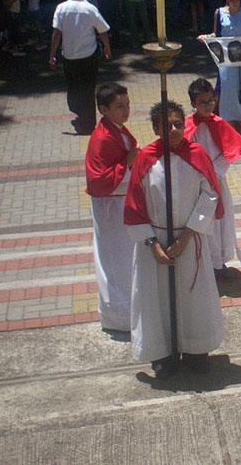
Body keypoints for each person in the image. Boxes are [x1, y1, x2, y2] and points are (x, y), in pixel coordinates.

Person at [124, 100, 224, 379]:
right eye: (167, 126)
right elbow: (135, 204)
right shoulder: (146, 158)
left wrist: (187, 236)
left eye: (179, 123)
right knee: (157, 299)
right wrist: (153, 244)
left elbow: (210, 194)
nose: (175, 130)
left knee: (193, 296)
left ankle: (195, 349)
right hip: (154, 242)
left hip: (189, 239)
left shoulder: (197, 154)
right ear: (155, 129)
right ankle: (162, 354)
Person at [185, 77, 241, 278]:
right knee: (202, 221)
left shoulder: (219, 122)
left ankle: (219, 263)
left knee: (221, 222)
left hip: (216, 179)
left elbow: (230, 150)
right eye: (202, 103)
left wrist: (214, 170)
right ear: (193, 104)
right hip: (196, 182)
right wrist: (201, 172)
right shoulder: (188, 126)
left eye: (211, 101)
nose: (208, 106)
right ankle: (204, 262)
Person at [85, 83, 139, 333]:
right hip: (110, 207)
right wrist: (129, 163)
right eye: (119, 106)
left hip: (119, 204)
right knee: (115, 260)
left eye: (127, 104)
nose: (126, 110)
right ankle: (119, 315)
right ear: (104, 109)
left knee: (123, 258)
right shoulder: (103, 137)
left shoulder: (114, 129)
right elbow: (98, 182)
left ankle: (127, 310)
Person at [49, 0, 111, 135]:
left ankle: (78, 111)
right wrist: (107, 47)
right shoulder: (90, 9)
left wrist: (52, 54)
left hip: (69, 55)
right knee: (88, 88)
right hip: (88, 54)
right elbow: (102, 30)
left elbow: (56, 32)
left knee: (74, 86)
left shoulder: (61, 8)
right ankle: (88, 122)